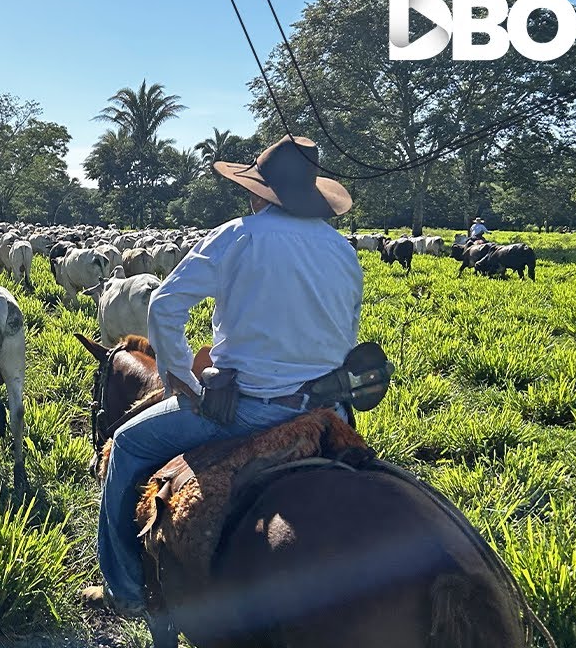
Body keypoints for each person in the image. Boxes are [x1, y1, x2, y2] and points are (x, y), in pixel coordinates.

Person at [81, 135, 364, 618]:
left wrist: (182, 382)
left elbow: (165, 306)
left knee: (126, 445)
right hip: (324, 411)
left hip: (245, 410)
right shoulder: (342, 250)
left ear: (259, 192)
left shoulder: (241, 235)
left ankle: (123, 587)